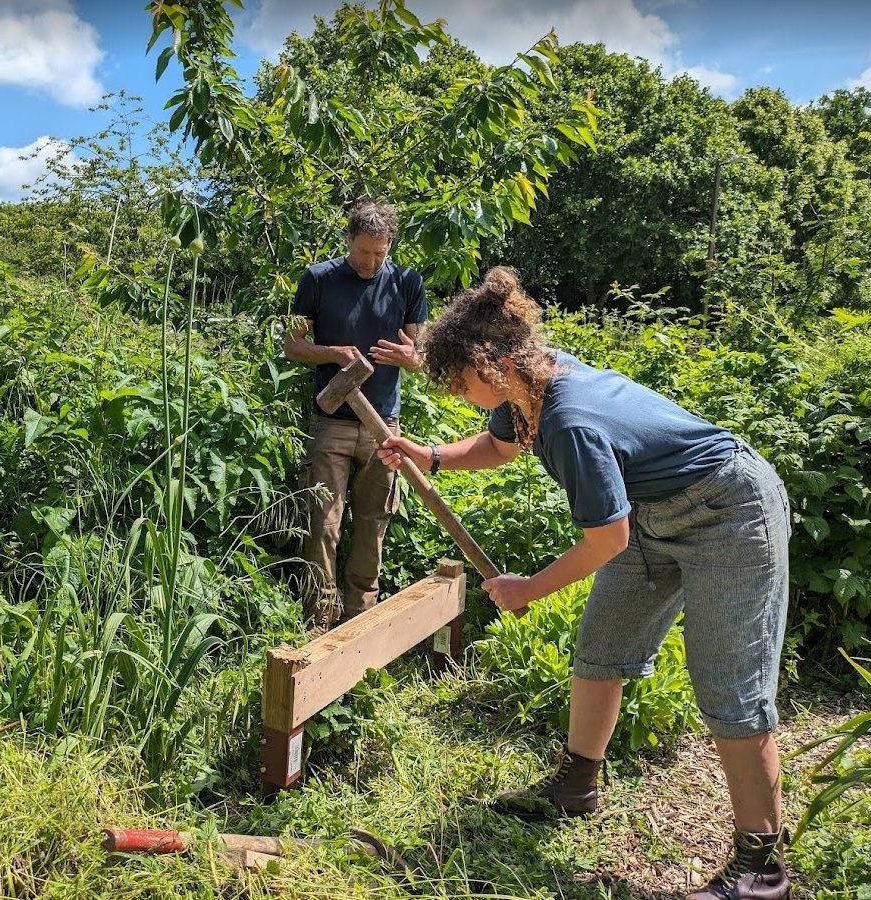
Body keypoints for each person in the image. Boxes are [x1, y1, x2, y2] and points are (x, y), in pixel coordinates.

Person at [378, 266, 792, 900]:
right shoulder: (533, 384)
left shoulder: (569, 420)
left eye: (459, 383)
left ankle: (762, 870)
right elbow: (497, 448)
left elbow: (607, 540)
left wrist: (527, 588)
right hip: (656, 512)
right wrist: (428, 454)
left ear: (492, 364)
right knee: (600, 649)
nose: (459, 396)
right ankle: (577, 784)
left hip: (729, 514)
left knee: (730, 688)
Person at [283, 200, 428, 634]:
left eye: (379, 253)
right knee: (322, 521)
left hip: (384, 426)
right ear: (349, 241)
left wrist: (409, 357)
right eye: (364, 252)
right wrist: (331, 352)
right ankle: (318, 619)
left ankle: (360, 618)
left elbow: (418, 356)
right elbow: (292, 346)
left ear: (390, 247)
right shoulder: (318, 279)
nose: (370, 262)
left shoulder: (407, 282)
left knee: (374, 521)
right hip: (332, 424)